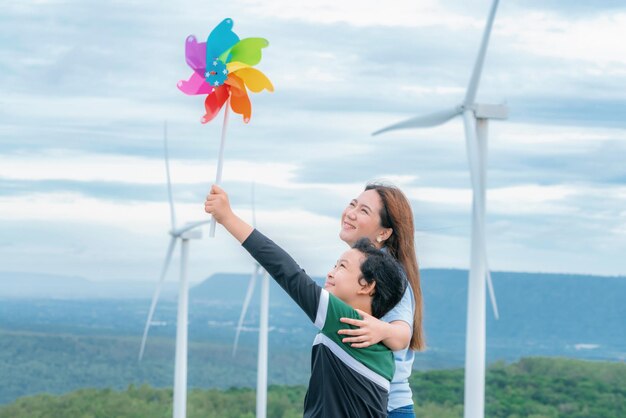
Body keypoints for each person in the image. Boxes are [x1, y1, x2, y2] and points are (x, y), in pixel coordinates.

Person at [205, 185, 407, 417]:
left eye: (342, 267)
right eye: (334, 265)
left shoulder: (348, 324)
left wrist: (228, 218)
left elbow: (288, 271)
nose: (330, 273)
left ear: (367, 285)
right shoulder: (377, 344)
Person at [336, 183, 425, 418]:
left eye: (364, 211)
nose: (351, 212)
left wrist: (380, 329)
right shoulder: (360, 267)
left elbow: (402, 335)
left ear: (384, 232)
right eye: (353, 204)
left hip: (387, 408)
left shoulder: (388, 273)